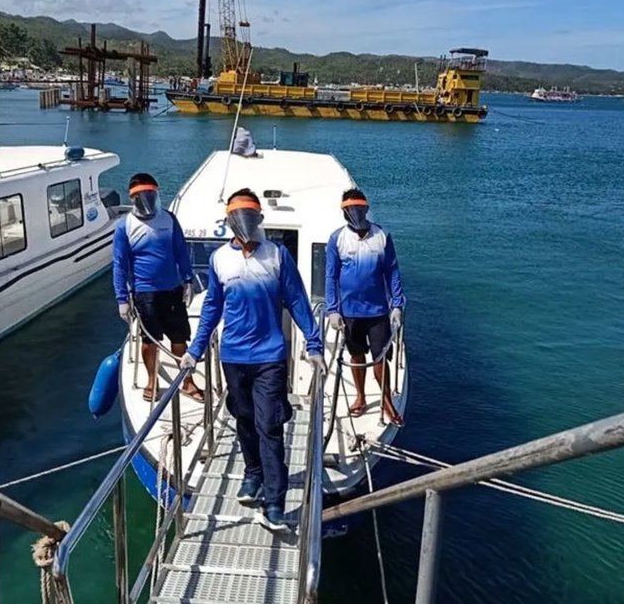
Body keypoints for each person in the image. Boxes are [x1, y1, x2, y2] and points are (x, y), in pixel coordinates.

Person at [182, 188, 323, 532]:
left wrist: (314, 343)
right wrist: (195, 350)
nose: (244, 223)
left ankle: (274, 503)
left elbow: (297, 300)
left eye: (250, 215)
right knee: (243, 419)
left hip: (270, 356)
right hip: (232, 356)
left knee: (269, 426)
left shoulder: (277, 256)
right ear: (229, 221)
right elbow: (212, 308)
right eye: (238, 216)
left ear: (259, 218)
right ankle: (253, 473)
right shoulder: (219, 260)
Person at [113, 173, 204, 403]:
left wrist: (188, 280)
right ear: (132, 198)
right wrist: (122, 299)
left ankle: (187, 381)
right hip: (145, 293)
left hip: (173, 290)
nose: (146, 200)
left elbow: (181, 251)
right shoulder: (124, 227)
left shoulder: (169, 220)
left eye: (149, 195)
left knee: (179, 337)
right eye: (140, 197)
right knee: (149, 340)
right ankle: (151, 380)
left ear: (156, 194)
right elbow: (119, 265)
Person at [325, 188, 405, 426]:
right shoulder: (336, 239)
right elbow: (331, 276)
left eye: (359, 209)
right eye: (351, 210)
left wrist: (397, 305)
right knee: (356, 356)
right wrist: (333, 310)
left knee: (381, 358)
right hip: (350, 313)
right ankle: (360, 397)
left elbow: (392, 271)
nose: (356, 214)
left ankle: (386, 400)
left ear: (366, 209)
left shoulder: (382, 235)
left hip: (378, 311)